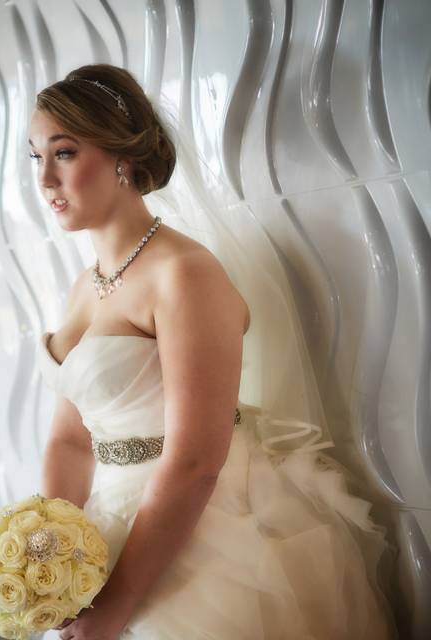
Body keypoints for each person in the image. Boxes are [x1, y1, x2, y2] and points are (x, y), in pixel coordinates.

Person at [29, 64, 397, 639]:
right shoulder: (86, 284)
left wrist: (120, 602)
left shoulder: (184, 274)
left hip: (202, 528)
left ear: (121, 157)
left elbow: (197, 461)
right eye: (36, 157)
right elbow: (71, 440)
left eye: (65, 153)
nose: (45, 178)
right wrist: (45, 559)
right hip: (109, 519)